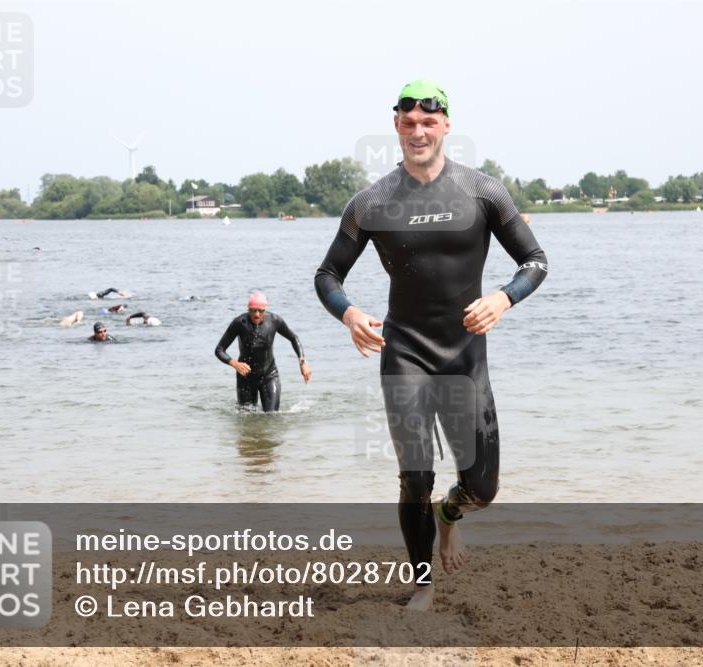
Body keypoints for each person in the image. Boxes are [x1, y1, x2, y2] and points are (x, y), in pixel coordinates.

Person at [314, 80, 548, 610]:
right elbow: (328, 273)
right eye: (408, 122)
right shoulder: (371, 202)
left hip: (465, 355)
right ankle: (422, 583)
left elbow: (536, 261)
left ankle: (450, 516)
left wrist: (504, 299)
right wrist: (348, 312)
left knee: (481, 489)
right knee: (415, 475)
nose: (418, 132)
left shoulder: (484, 191)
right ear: (396, 126)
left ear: (446, 125)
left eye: (428, 122)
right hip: (406, 354)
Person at [214, 291, 312, 412]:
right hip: (245, 378)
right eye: (253, 310)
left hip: (269, 375)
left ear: (265, 309)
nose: (256, 314)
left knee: (272, 416)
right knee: (246, 417)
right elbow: (219, 350)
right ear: (248, 309)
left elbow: (293, 338)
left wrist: (302, 362)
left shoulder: (274, 321)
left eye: (260, 310)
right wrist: (235, 364)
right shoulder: (239, 323)